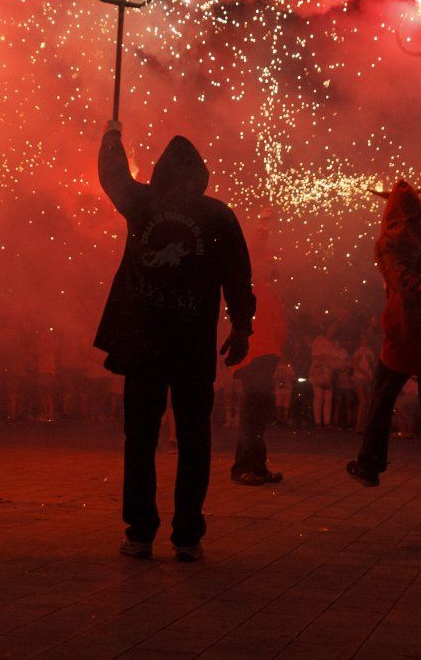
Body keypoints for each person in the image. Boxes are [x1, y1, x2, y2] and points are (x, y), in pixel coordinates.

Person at [95, 124, 255, 562]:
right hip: (192, 345)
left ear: (162, 171)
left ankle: (140, 532)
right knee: (194, 439)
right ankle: (187, 537)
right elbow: (239, 276)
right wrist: (241, 327)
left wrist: (112, 139)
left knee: (141, 439)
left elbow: (113, 177)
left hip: (144, 343)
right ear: (199, 175)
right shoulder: (218, 215)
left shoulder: (143, 202)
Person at [347, 163, 421, 541]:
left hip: (405, 335)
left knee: (382, 398)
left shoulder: (389, 241)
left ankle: (369, 464)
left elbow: (402, 284)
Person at [230, 252, 287, 486]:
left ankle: (257, 466)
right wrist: (263, 225)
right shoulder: (254, 285)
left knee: (260, 416)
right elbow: (252, 250)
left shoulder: (272, 294)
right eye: (268, 261)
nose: (273, 265)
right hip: (254, 358)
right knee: (252, 416)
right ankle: (242, 468)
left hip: (267, 359)